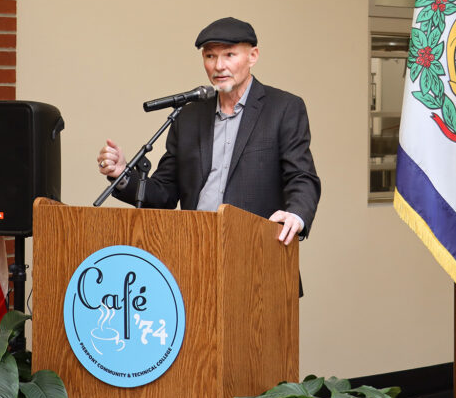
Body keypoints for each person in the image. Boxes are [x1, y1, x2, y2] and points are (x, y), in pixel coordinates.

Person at [97, 17, 320, 246]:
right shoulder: (188, 117)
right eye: (210, 56)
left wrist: (297, 215)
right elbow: (164, 193)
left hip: (257, 251)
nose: (219, 66)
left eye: (229, 55)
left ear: (253, 56)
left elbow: (302, 176)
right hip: (197, 251)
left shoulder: (283, 108)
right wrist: (123, 174)